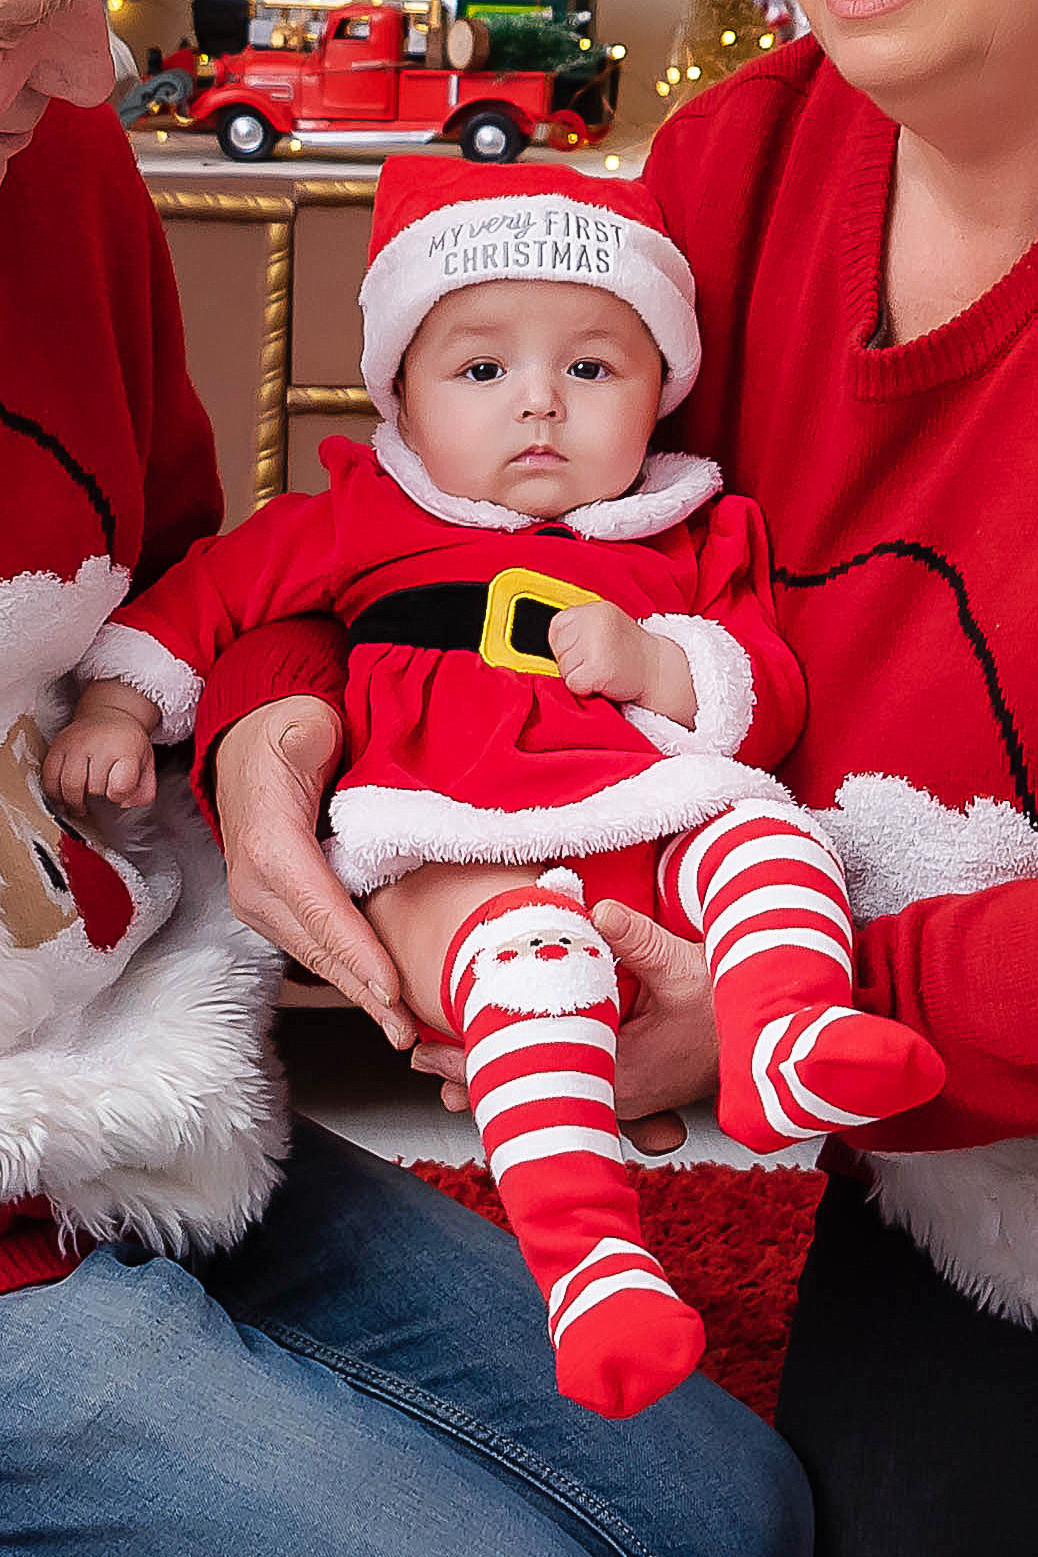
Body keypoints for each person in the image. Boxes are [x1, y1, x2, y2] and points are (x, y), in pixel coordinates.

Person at [0, 0, 815, 1549]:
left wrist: (267, 736)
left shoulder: (62, 157)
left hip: (129, 1087)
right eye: (19, 19)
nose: (88, 65)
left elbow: (215, 588)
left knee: (730, 1512)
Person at [48, 155, 946, 1418]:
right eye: (483, 370)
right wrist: (116, 703)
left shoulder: (692, 528)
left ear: (661, 394)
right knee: (530, 973)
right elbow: (207, 599)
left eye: (591, 369)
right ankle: (592, 1268)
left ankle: (793, 1032)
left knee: (774, 842)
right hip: (461, 837)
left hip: (659, 807)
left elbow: (773, 688)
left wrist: (666, 663)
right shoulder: (361, 514)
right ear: (402, 399)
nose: (540, 406)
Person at [489, 4, 1036, 1553]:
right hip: (950, 1171)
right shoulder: (741, 167)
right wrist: (283, 715)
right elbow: (458, 505)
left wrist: (778, 1008)